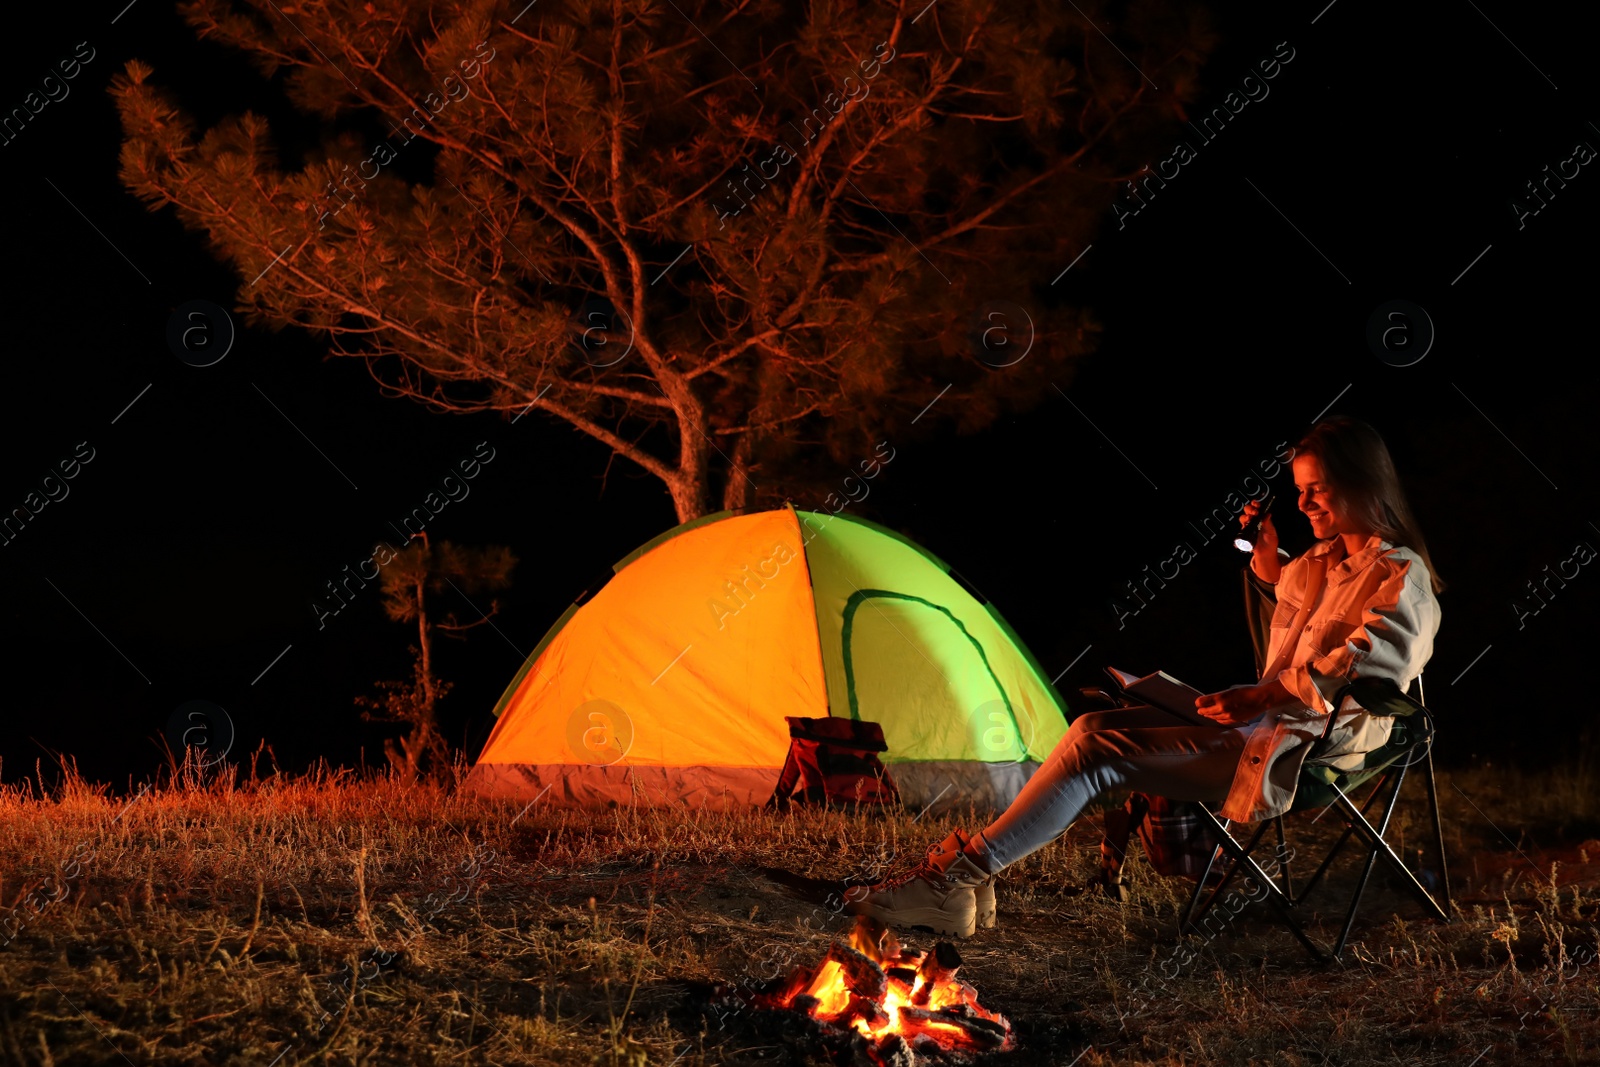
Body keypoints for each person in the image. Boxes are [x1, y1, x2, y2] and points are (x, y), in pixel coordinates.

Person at [845, 416, 1443, 938]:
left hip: (1306, 751)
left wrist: (1260, 696)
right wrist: (1265, 558)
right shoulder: (1318, 563)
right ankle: (966, 878)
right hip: (1266, 726)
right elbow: (1292, 611)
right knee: (1093, 724)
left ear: (1363, 483)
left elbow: (1358, 667)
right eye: (1301, 492)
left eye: (1319, 490)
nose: (1306, 503)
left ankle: (956, 878)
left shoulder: (1402, 580)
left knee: (1101, 753)